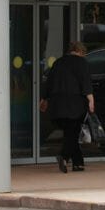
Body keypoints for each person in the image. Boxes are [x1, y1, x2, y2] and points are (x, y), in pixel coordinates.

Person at [40, 41, 95, 173]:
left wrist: (43, 99)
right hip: (75, 104)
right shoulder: (81, 63)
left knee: (70, 133)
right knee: (73, 133)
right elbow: (85, 82)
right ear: (80, 51)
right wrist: (91, 100)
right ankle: (63, 156)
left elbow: (49, 82)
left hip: (57, 104)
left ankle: (78, 163)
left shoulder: (58, 63)